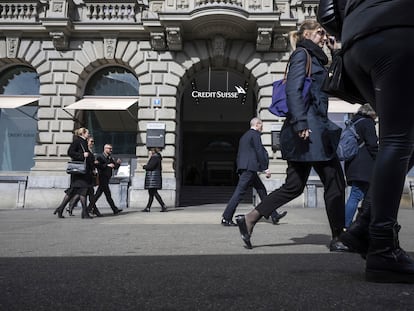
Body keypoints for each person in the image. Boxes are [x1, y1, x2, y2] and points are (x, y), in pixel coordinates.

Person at [236, 20, 348, 252]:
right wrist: (299, 123)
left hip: (312, 130)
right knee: (334, 181)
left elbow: (334, 84)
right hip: (310, 131)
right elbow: (293, 90)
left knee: (294, 185)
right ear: (306, 33)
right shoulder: (302, 55)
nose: (323, 35)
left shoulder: (316, 58)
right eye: (319, 32)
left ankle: (249, 219)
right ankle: (339, 237)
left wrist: (336, 52)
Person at [331, 0, 414, 283]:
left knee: (404, 136)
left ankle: (364, 227)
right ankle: (382, 246)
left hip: (356, 42)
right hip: (399, 28)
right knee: (399, 138)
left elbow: (326, 10)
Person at [221, 117, 287, 226]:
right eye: (261, 125)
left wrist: (240, 168)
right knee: (238, 194)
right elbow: (259, 151)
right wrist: (265, 168)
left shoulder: (244, 136)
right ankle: (226, 218)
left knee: (262, 191)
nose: (262, 127)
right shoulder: (255, 135)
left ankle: (274, 215)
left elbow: (241, 154)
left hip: (247, 168)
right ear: (257, 124)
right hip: (249, 169)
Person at [344, 104, 378, 227]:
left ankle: (357, 224)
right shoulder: (367, 123)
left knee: (360, 195)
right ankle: (346, 226)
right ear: (371, 112)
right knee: (357, 195)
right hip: (364, 166)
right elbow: (372, 144)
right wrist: (380, 159)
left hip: (353, 164)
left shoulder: (354, 121)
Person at [54, 127, 94, 219]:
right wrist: (82, 155)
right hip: (79, 173)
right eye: (87, 133)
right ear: (83, 133)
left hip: (84, 172)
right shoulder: (77, 141)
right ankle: (84, 213)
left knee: (73, 192)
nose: (88, 134)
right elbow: (70, 152)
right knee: (82, 192)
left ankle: (61, 209)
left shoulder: (83, 142)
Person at [67, 136, 102, 217]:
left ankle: (70, 208)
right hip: (83, 175)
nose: (92, 143)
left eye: (93, 142)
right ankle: (87, 211)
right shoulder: (84, 149)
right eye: (91, 141)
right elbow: (71, 153)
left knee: (86, 194)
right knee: (82, 194)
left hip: (89, 175)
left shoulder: (89, 150)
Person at [93, 144, 122, 215]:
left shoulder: (109, 158)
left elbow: (114, 167)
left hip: (106, 178)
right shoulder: (100, 157)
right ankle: (114, 209)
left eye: (111, 149)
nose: (111, 150)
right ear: (105, 149)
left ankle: (90, 208)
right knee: (106, 195)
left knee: (100, 195)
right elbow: (98, 165)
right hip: (102, 178)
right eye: (109, 149)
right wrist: (107, 165)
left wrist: (118, 164)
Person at [142, 147, 167, 212]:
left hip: (153, 178)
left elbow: (151, 166)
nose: (150, 152)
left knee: (154, 192)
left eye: (151, 151)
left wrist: (144, 166)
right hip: (154, 178)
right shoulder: (158, 157)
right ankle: (148, 207)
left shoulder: (154, 157)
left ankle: (163, 205)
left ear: (153, 151)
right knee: (151, 193)